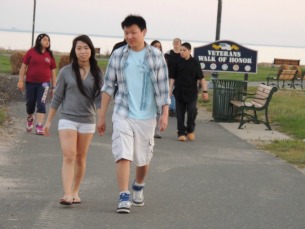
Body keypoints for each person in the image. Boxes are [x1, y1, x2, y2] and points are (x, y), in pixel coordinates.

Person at [97, 15, 170, 214]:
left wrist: (164, 114)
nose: (129, 36)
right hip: (123, 112)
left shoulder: (155, 56)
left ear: (144, 32)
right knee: (123, 154)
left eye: (133, 32)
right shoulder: (118, 55)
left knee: (142, 158)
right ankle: (123, 195)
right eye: (126, 33)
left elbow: (163, 88)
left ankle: (138, 184)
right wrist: (102, 115)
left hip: (147, 115)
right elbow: (108, 86)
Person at [43, 35, 103, 205]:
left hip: (87, 120)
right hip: (67, 119)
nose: (83, 51)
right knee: (69, 155)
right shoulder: (66, 71)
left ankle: (76, 191)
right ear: (74, 51)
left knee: (81, 156)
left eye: (86, 48)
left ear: (91, 50)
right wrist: (48, 121)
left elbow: (99, 99)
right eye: (79, 48)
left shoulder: (97, 73)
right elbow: (57, 97)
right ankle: (67, 193)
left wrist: (101, 119)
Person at [17, 33, 57, 135]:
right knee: (30, 104)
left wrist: (54, 86)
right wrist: (20, 81)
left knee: (41, 103)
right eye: (44, 40)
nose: (47, 41)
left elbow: (53, 71)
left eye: (48, 40)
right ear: (39, 41)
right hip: (30, 82)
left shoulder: (50, 55)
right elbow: (23, 67)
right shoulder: (31, 52)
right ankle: (30, 118)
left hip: (44, 84)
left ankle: (39, 125)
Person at [169, 42, 208, 142]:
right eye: (181, 50)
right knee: (180, 114)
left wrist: (205, 91)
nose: (182, 52)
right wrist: (169, 90)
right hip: (179, 92)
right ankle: (181, 133)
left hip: (192, 92)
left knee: (192, 112)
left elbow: (201, 78)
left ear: (189, 51)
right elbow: (172, 78)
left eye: (184, 50)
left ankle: (190, 130)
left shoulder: (195, 62)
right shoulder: (177, 62)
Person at [164, 38, 182, 117]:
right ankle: (172, 109)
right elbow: (163, 62)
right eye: (174, 42)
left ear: (180, 43)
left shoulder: (182, 53)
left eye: (177, 42)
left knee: (177, 92)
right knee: (171, 92)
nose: (176, 43)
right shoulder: (168, 53)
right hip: (169, 75)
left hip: (180, 76)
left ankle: (176, 108)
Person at [150, 40, 163, 139]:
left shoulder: (162, 59)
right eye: (155, 46)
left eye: (159, 46)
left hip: (159, 89)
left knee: (158, 110)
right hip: (148, 88)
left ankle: (157, 131)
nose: (157, 48)